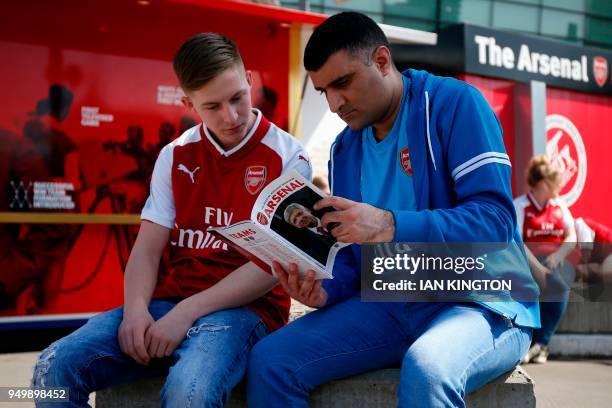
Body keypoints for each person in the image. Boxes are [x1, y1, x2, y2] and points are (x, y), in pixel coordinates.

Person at [247, 12, 539, 407]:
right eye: (323, 92)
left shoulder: (455, 103)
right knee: (270, 360)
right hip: (392, 299)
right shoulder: (344, 149)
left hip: (483, 301)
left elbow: (495, 222)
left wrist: (388, 224)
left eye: (343, 83)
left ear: (382, 61)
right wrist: (323, 291)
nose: (334, 104)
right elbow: (353, 264)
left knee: (429, 367)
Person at [32, 32, 311, 407]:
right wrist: (134, 311)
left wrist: (186, 313)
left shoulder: (289, 157)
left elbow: (270, 266)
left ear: (249, 80)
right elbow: (147, 248)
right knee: (51, 369)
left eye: (237, 98)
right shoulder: (175, 154)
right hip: (169, 303)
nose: (230, 116)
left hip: (246, 314)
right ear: (187, 103)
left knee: (188, 392)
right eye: (212, 106)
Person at [514, 155, 577, 364]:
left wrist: (558, 255)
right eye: (555, 183)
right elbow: (517, 241)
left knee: (560, 285)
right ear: (542, 184)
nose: (559, 188)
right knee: (538, 286)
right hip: (528, 262)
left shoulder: (559, 205)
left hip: (552, 262)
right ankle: (530, 344)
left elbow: (572, 236)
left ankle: (541, 345)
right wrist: (537, 266)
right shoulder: (521, 205)